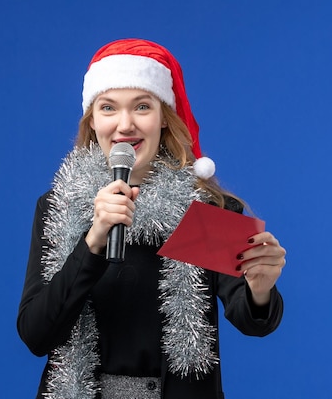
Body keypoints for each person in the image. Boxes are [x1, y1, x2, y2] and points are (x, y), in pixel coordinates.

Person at [17, 38, 286, 399]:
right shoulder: (59, 207)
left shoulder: (203, 210)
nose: (125, 124)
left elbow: (251, 319)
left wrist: (260, 288)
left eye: (142, 107)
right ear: (92, 121)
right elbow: (36, 335)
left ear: (163, 119)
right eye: (109, 108)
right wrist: (93, 240)